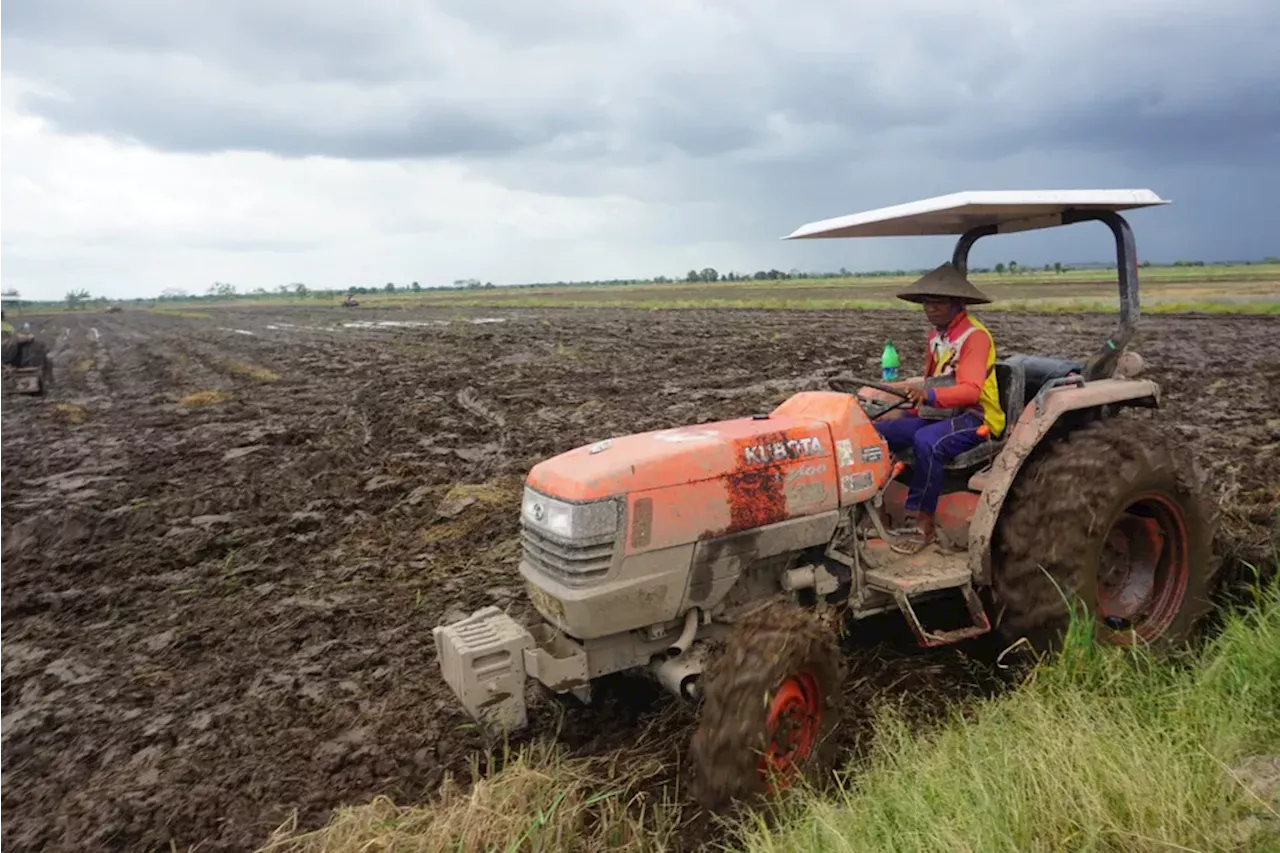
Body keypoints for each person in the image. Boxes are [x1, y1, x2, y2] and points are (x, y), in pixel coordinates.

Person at [874, 262, 1006, 553]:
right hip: (941, 413)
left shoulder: (975, 337)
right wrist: (915, 401)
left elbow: (970, 390)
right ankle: (874, 505)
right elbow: (935, 380)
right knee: (875, 432)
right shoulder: (937, 337)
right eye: (926, 302)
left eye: (939, 302)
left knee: (927, 442)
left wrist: (929, 396)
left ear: (958, 303)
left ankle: (922, 520)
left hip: (975, 416)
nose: (930, 309)